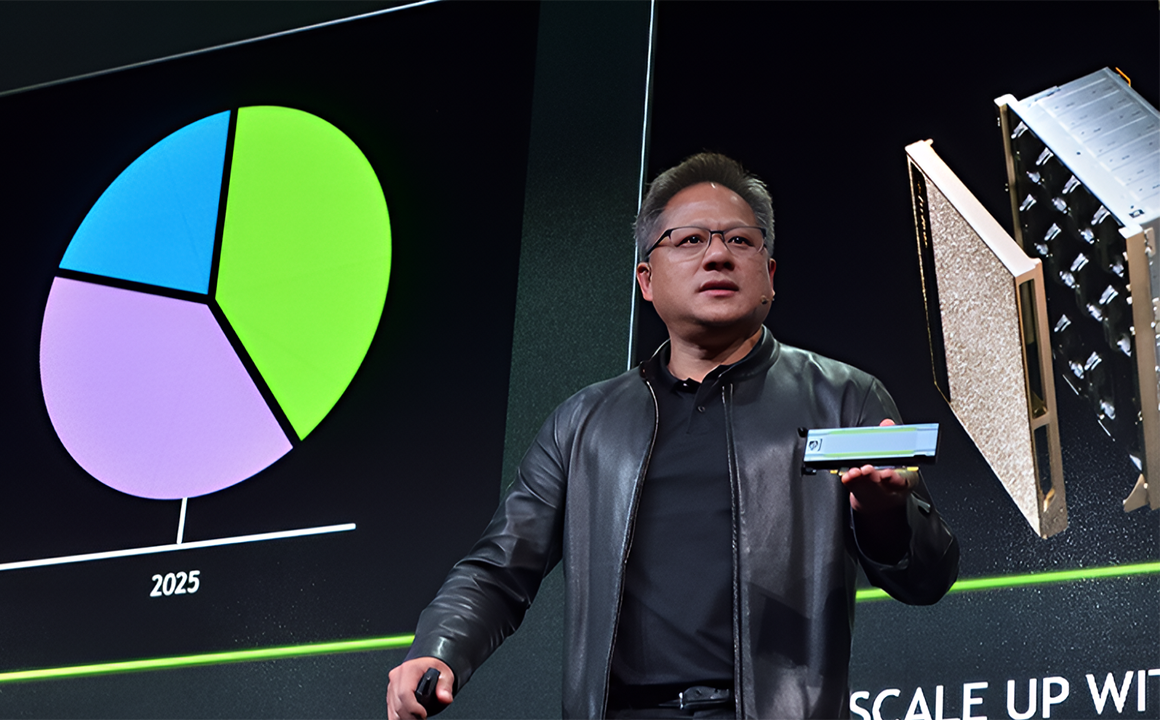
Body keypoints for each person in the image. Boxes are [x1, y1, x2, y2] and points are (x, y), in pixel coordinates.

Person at [386, 153, 958, 720]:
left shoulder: (846, 398)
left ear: (771, 275)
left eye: (739, 240)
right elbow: (499, 567)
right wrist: (437, 651)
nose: (716, 254)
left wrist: (884, 515)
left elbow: (929, 577)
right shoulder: (583, 423)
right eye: (689, 241)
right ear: (646, 280)